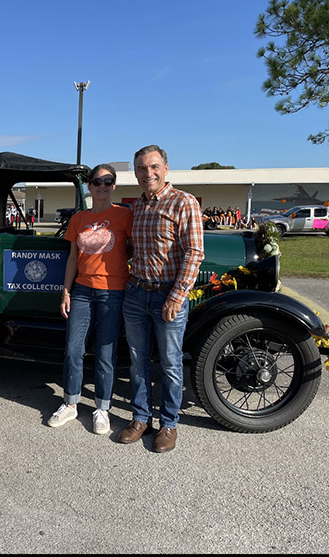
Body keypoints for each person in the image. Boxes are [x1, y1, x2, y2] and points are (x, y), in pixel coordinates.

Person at [119, 145, 204, 453]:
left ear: (166, 168)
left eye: (153, 167)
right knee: (137, 360)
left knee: (169, 363)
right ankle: (141, 417)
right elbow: (133, 250)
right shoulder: (136, 207)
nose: (148, 173)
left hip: (168, 293)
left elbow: (194, 253)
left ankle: (168, 424)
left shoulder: (184, 202)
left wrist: (176, 297)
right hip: (136, 292)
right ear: (136, 172)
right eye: (141, 168)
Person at [47, 164, 132, 434]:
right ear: (90, 186)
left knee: (105, 353)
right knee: (73, 348)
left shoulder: (124, 215)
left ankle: (102, 408)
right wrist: (66, 290)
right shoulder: (79, 219)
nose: (102, 186)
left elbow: (135, 249)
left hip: (113, 290)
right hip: (82, 289)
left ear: (114, 185)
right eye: (97, 181)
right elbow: (73, 257)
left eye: (108, 181)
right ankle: (70, 404)